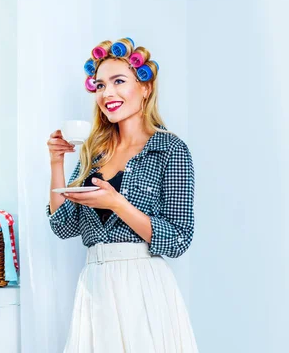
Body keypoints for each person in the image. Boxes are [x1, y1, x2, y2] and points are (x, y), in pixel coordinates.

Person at [46, 38, 199, 352]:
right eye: (100, 85)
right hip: (95, 288)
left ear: (145, 88)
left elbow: (179, 239)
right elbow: (63, 226)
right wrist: (56, 162)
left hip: (143, 287)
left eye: (118, 81)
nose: (107, 93)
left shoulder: (170, 149)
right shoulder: (94, 152)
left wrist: (117, 203)